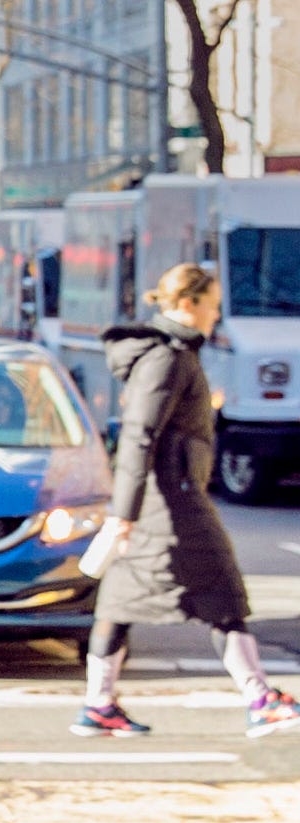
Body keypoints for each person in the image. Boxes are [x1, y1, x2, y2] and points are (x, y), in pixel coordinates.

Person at [76, 263, 299, 737]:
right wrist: (123, 514)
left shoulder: (172, 354)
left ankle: (98, 704)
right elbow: (139, 434)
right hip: (172, 503)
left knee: (120, 601)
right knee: (222, 593)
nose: (216, 315)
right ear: (187, 303)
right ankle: (260, 699)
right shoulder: (167, 358)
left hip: (161, 499)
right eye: (212, 305)